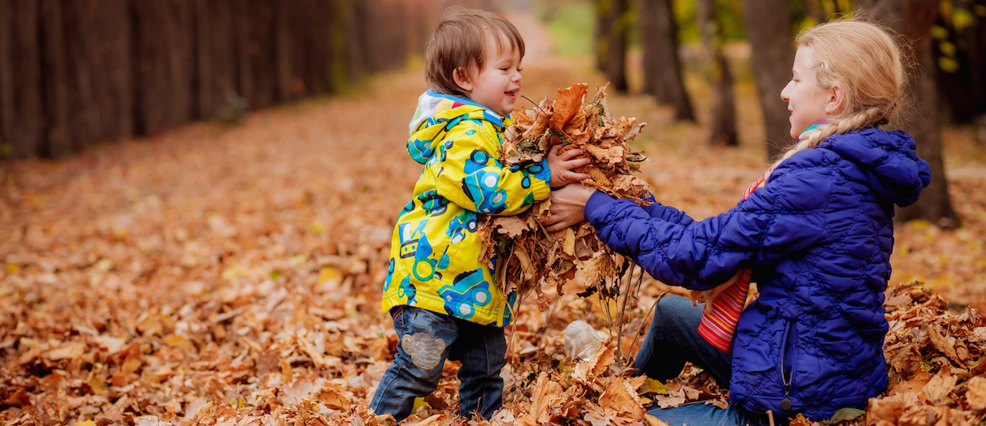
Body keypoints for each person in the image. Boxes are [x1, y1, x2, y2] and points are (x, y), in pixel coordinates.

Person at [544, 20, 931, 425]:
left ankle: (621, 406)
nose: (784, 91)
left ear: (834, 97)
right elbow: (717, 241)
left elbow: (694, 259)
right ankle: (628, 389)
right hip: (818, 366)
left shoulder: (818, 179)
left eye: (796, 79)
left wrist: (594, 205)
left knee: (608, 420)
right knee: (673, 315)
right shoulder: (846, 165)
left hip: (798, 404)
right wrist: (621, 198)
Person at [369, 7, 591, 422]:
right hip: (432, 283)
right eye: (504, 67)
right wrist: (546, 175)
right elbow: (487, 191)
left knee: (488, 369)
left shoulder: (491, 127)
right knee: (420, 368)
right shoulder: (462, 131)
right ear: (463, 78)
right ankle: (378, 419)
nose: (517, 77)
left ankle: (481, 418)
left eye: (519, 67)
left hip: (475, 288)